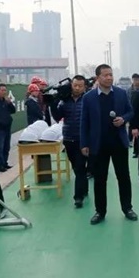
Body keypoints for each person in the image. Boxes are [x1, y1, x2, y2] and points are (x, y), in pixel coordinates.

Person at [80, 65, 138, 225]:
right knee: (100, 179)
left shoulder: (120, 93)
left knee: (123, 177)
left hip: (118, 143)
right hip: (98, 145)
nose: (109, 78)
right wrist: (84, 143)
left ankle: (127, 208)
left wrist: (123, 119)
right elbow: (84, 122)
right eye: (105, 75)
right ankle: (100, 211)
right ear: (97, 78)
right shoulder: (89, 97)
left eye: (111, 75)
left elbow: (130, 112)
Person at [53, 75, 89, 208]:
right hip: (68, 139)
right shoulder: (65, 101)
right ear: (71, 85)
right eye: (75, 85)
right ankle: (84, 188)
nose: (77, 88)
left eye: (80, 86)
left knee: (80, 166)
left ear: (85, 87)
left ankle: (78, 197)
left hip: (83, 140)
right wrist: (53, 103)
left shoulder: (88, 99)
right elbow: (58, 117)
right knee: (77, 167)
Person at [0, 84, 16, 172]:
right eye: (2, 90)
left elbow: (13, 111)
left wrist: (10, 103)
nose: (4, 92)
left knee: (6, 147)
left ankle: (5, 162)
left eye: (5, 90)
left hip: (7, 127)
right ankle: (0, 165)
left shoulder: (6, 102)